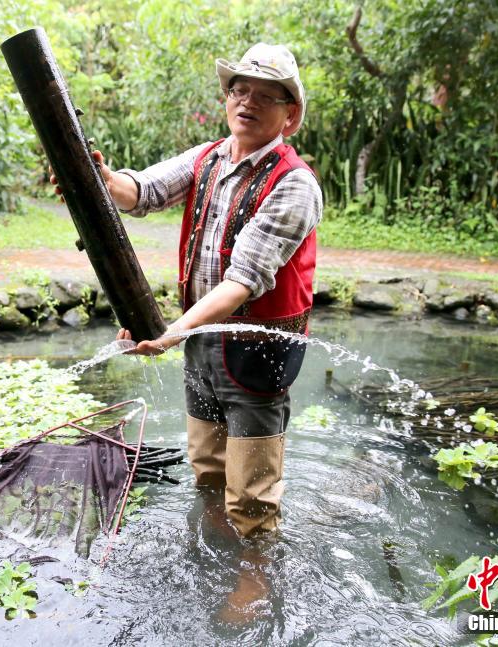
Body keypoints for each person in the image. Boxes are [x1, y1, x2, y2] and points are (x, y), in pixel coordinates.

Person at [56, 43, 322, 537]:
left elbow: (244, 279)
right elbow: (142, 191)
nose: (247, 101)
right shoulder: (208, 159)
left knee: (253, 496)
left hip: (258, 358)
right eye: (240, 89)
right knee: (207, 470)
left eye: (266, 96)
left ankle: (255, 579)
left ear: (291, 115)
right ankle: (217, 552)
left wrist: (171, 331)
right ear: (227, 98)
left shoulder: (296, 184)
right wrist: (99, 179)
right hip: (204, 346)